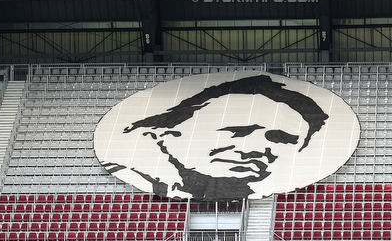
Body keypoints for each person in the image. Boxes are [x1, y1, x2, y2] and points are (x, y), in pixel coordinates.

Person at [100, 74, 330, 199]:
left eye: (281, 138)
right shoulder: (135, 172)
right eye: (239, 131)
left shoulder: (264, 189)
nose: (259, 148)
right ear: (167, 135)